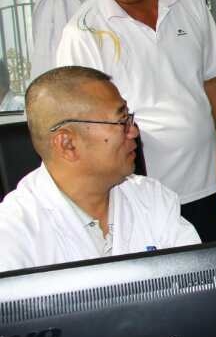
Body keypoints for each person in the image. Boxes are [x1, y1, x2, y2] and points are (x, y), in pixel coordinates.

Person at [55, 0, 216, 242]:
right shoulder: (84, 33)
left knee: (215, 272)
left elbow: (214, 85)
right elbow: (81, 126)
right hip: (137, 199)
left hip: (210, 183)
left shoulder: (189, 3)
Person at [0, 66, 199, 272]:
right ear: (68, 144)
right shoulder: (13, 235)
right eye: (122, 121)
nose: (133, 131)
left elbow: (196, 280)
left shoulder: (152, 200)